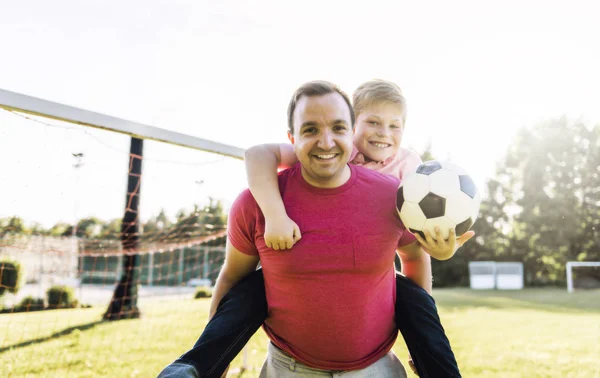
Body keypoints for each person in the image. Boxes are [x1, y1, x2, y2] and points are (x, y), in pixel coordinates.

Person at [158, 80, 466, 378]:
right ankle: (194, 369)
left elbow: (418, 248)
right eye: (311, 129)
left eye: (337, 128)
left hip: (375, 365)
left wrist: (440, 248)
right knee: (252, 288)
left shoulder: (403, 184)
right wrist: (275, 213)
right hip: (288, 366)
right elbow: (258, 155)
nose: (326, 141)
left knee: (411, 295)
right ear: (293, 137)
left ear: (347, 128)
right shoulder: (262, 199)